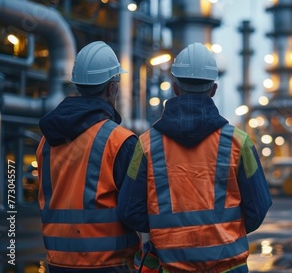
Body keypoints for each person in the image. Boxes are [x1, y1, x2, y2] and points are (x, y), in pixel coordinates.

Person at [118, 42, 273, 272]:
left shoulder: (147, 145)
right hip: (228, 267)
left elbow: (129, 211)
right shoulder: (239, 143)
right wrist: (223, 236)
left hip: (170, 266)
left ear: (175, 88)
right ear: (214, 89)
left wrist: (166, 232)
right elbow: (258, 209)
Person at [36, 41, 140, 272]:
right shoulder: (119, 141)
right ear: (112, 88)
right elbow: (135, 212)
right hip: (108, 263)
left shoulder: (46, 141)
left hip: (57, 262)